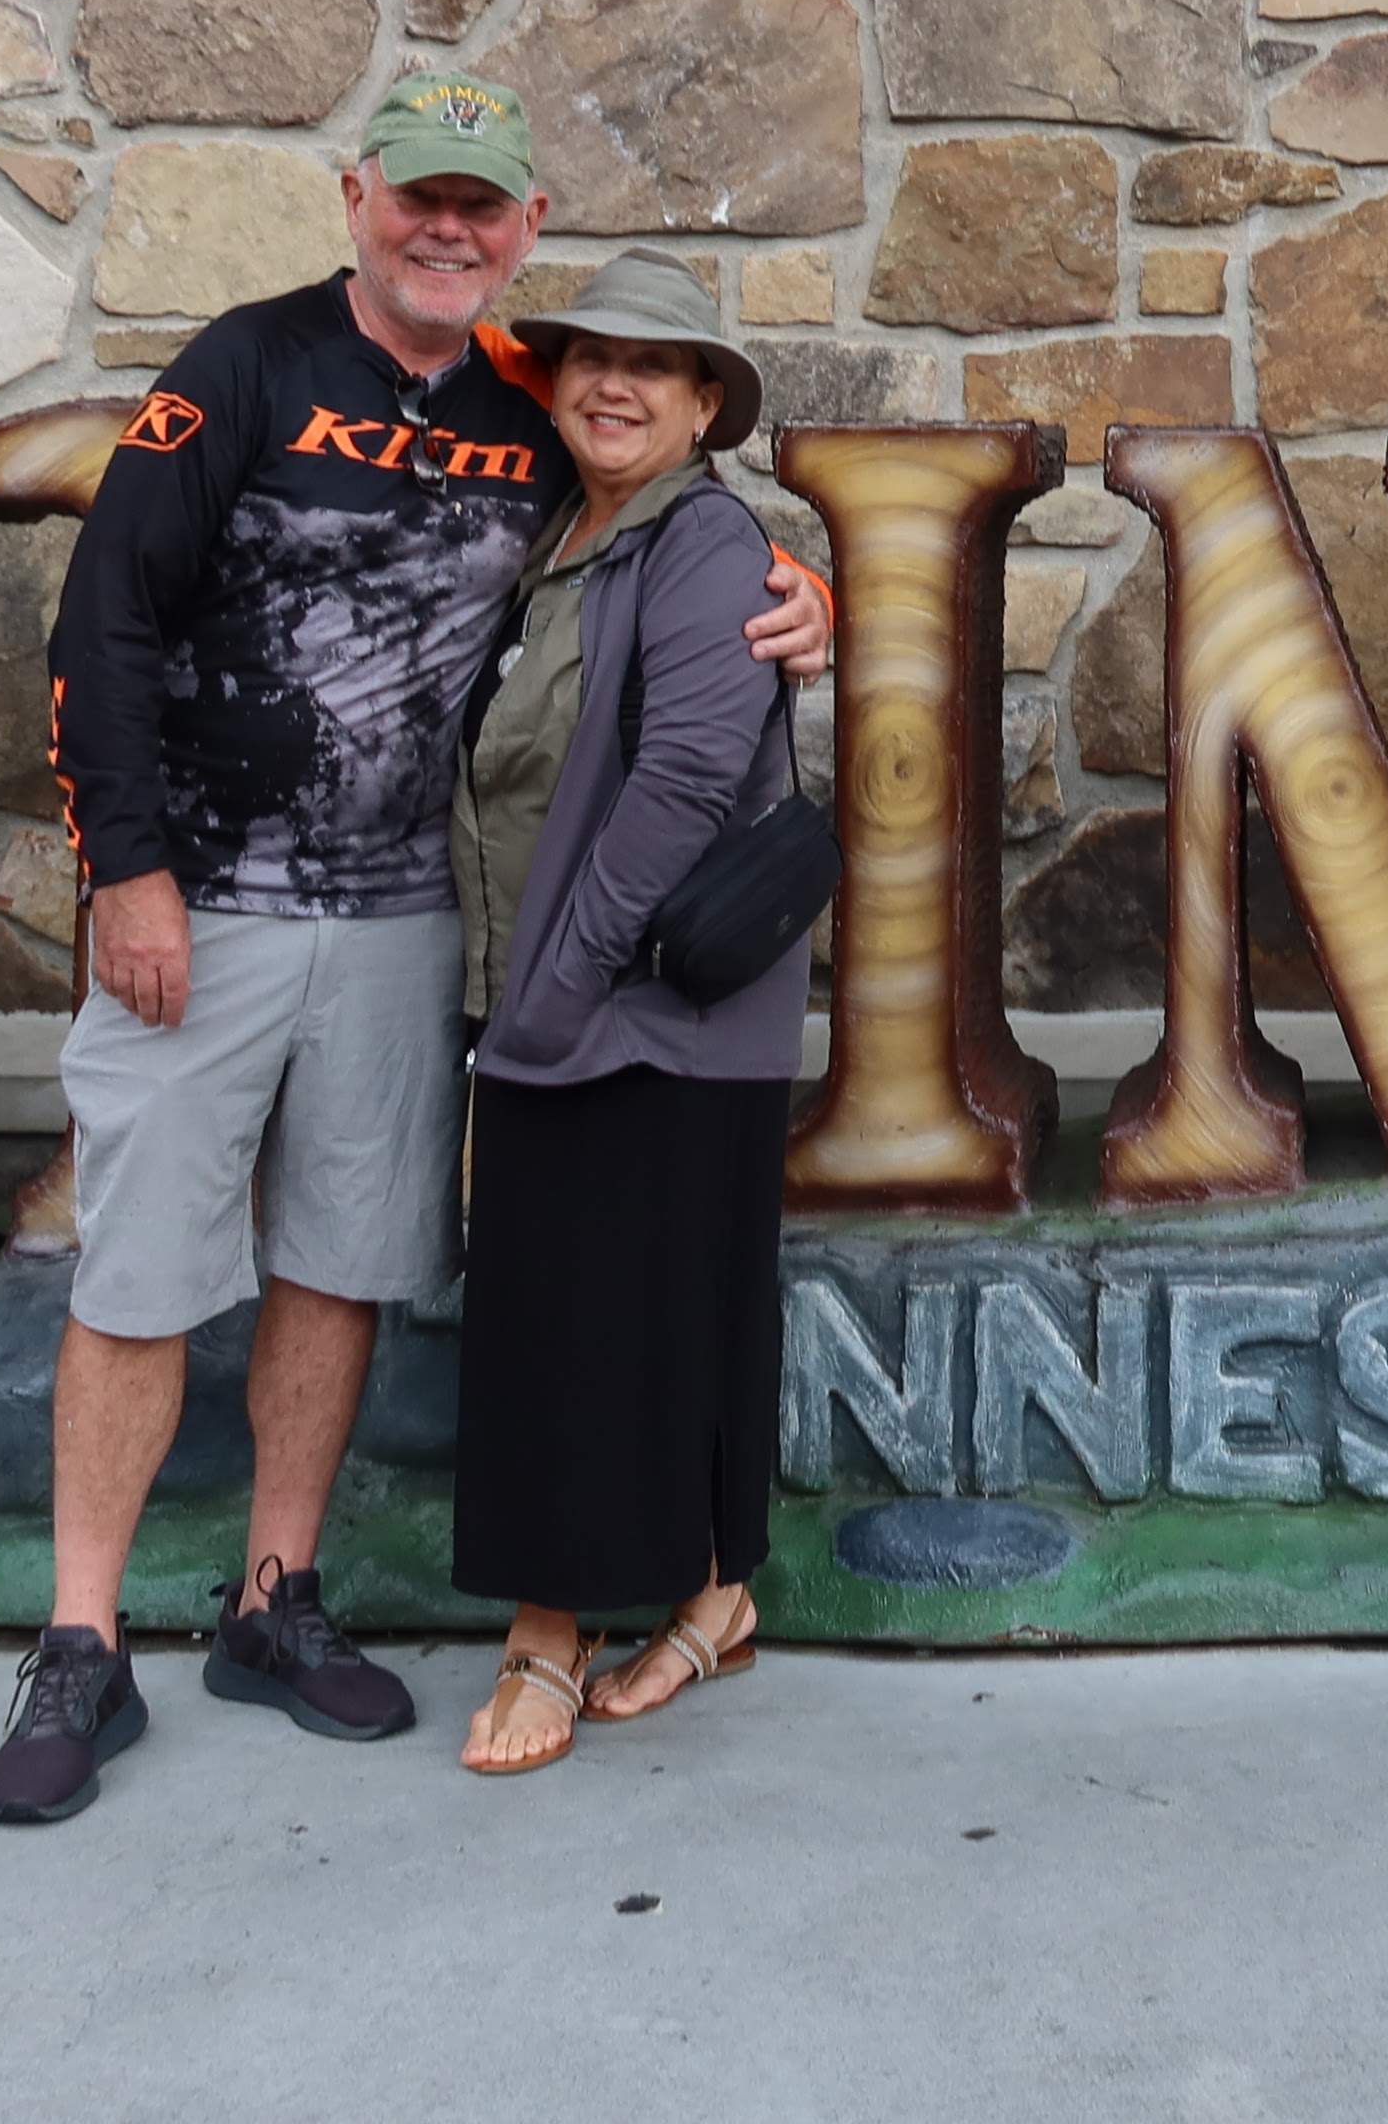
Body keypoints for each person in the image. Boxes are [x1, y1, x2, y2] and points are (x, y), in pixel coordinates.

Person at [0, 78, 830, 1826]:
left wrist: (805, 593)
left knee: (340, 1261)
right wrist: (123, 871)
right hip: (205, 909)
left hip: (406, 926)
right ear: (356, 198)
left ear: (523, 231)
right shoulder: (245, 366)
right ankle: (78, 1639)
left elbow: (665, 518)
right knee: (140, 1269)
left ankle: (274, 1599)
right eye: (419, 199)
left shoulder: (533, 403)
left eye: (481, 206)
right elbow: (107, 616)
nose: (448, 231)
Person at [441, 251, 816, 1777]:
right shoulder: (572, 534)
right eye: (591, 356)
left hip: (636, 1016)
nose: (614, 382)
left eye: (653, 365)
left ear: (705, 404)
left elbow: (683, 787)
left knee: (570, 1329)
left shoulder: (704, 541)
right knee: (669, 1318)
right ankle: (716, 1599)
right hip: (591, 1007)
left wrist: (559, 982)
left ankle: (547, 1633)